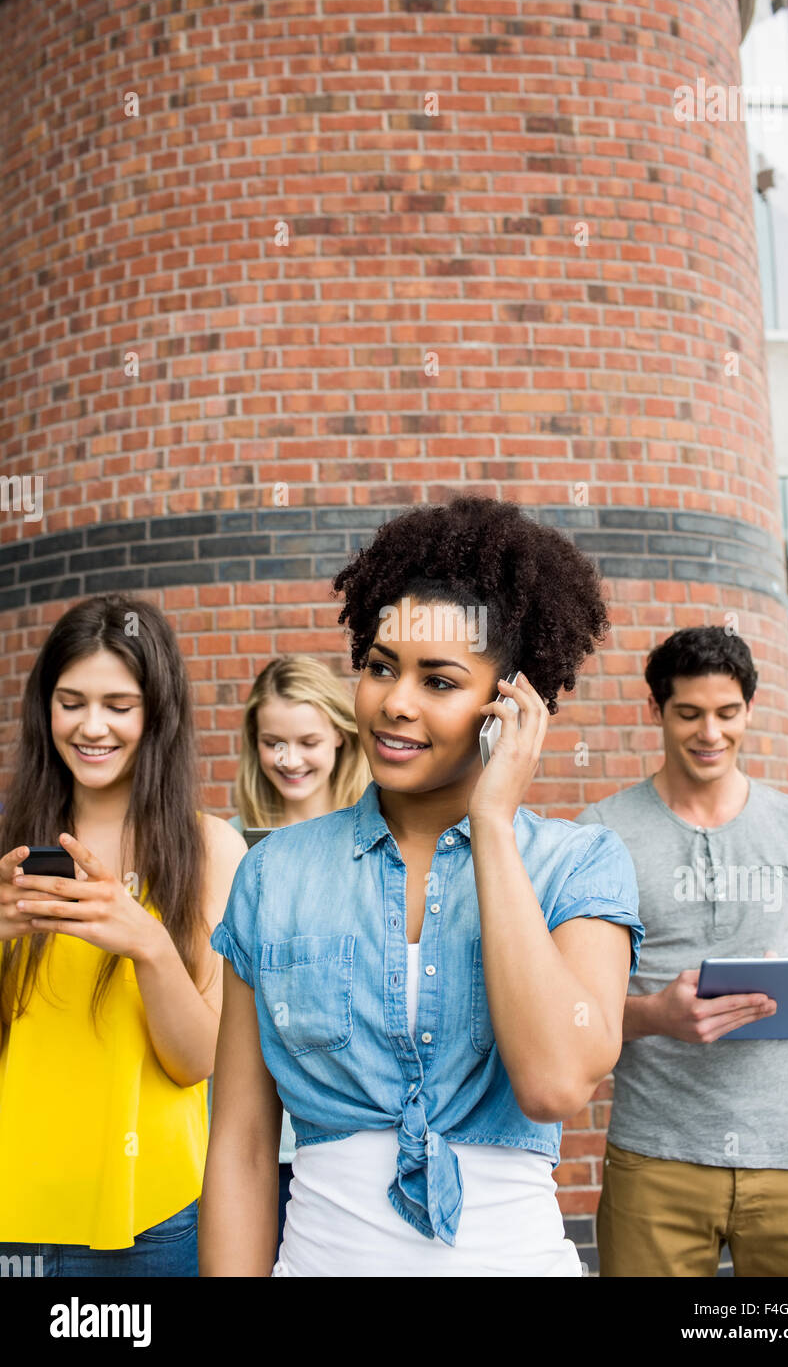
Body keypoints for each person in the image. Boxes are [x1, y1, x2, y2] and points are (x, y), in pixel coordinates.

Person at [200, 494, 644, 1277]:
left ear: (512, 701)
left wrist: (494, 827)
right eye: (379, 667)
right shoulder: (273, 873)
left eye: (439, 681)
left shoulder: (577, 865)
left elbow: (553, 1082)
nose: (394, 702)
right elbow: (239, 1145)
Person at [578, 625, 788, 1277]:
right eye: (689, 714)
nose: (711, 733)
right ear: (655, 711)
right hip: (656, 1157)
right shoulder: (601, 834)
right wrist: (656, 1015)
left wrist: (780, 1004)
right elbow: (572, 1008)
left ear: (750, 710)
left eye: (727, 713)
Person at [0, 594, 246, 1275]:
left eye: (119, 703)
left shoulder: (211, 850)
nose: (92, 726)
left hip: (151, 1216)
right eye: (71, 701)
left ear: (157, 713)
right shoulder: (8, 849)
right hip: (13, 1207)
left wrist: (147, 944)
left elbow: (196, 1060)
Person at [226, 655, 370, 1247]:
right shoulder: (228, 843)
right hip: (252, 1133)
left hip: (344, 1133)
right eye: (272, 743)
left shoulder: (378, 836)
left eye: (307, 741)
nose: (289, 760)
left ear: (340, 735)